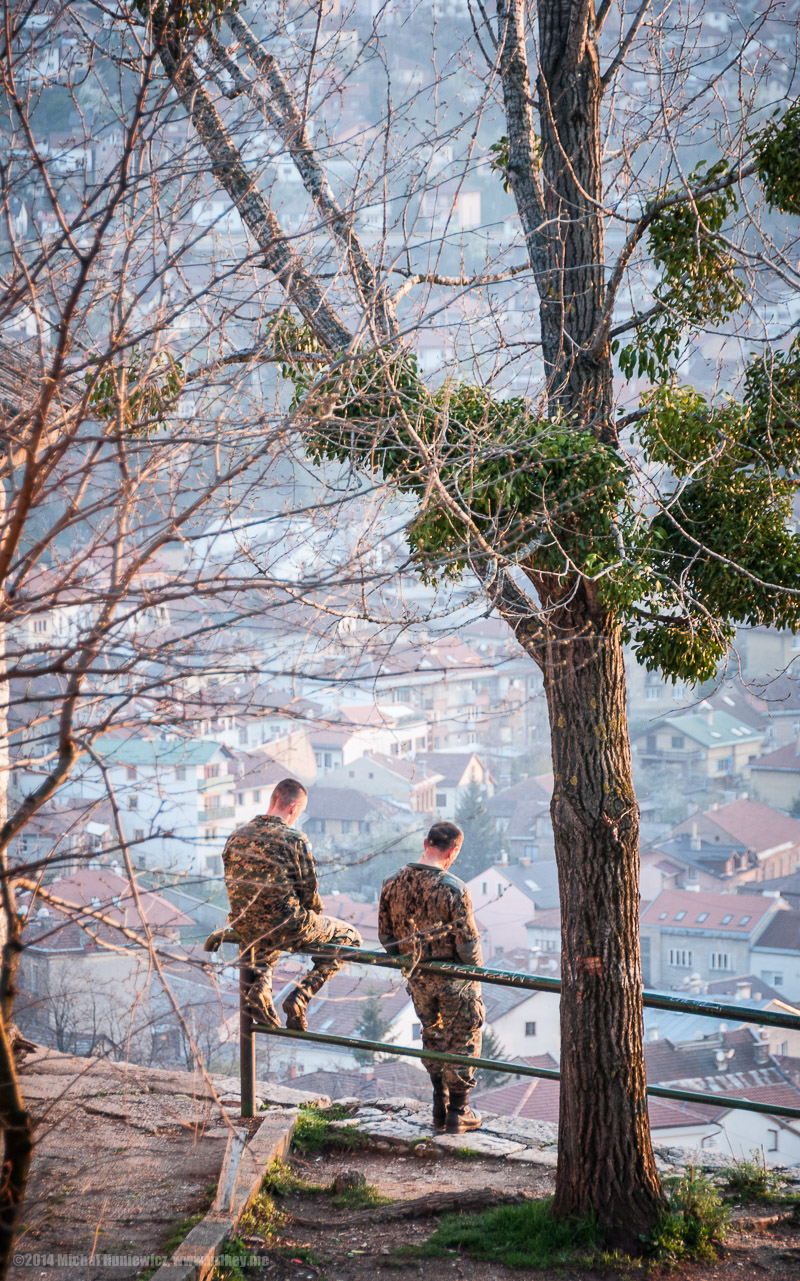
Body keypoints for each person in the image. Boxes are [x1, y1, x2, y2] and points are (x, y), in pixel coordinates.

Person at [222, 777, 362, 1030]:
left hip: (245, 925)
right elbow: (309, 894)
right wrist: (314, 919)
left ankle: (261, 987)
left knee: (268, 921)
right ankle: (300, 996)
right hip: (285, 926)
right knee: (350, 937)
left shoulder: (236, 837)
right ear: (294, 809)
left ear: (273, 799)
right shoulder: (294, 839)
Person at [378, 820, 484, 1134]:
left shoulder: (391, 882)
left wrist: (410, 964)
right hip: (454, 982)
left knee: (432, 1037)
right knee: (463, 1040)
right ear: (452, 852)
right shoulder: (454, 889)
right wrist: (476, 974)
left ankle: (439, 1104)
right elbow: (468, 945)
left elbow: (386, 937)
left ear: (426, 843)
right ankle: (458, 1111)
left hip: (418, 980)